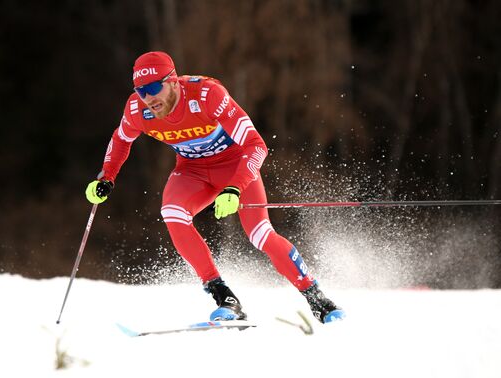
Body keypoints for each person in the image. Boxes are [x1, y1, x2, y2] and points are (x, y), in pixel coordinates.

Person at [85, 51, 345, 323]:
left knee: (260, 234)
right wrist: (106, 177)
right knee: (172, 212)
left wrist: (234, 188)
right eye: (141, 91)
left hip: (234, 167)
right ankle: (225, 299)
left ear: (173, 81)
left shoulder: (207, 95)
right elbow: (121, 140)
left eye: (153, 88)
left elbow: (256, 146)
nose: (149, 98)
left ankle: (318, 299)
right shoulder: (138, 110)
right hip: (192, 171)